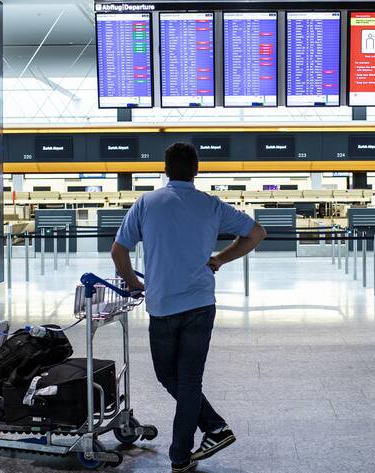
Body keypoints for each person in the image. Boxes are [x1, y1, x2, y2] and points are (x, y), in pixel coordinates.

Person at [111, 142, 267, 473]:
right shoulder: (211, 205)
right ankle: (212, 428)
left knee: (170, 376)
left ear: (164, 170)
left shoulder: (147, 203)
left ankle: (182, 455)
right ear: (197, 170)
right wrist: (220, 259)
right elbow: (256, 233)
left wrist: (135, 284)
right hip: (200, 304)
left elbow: (118, 252)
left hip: (162, 305)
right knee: (188, 380)